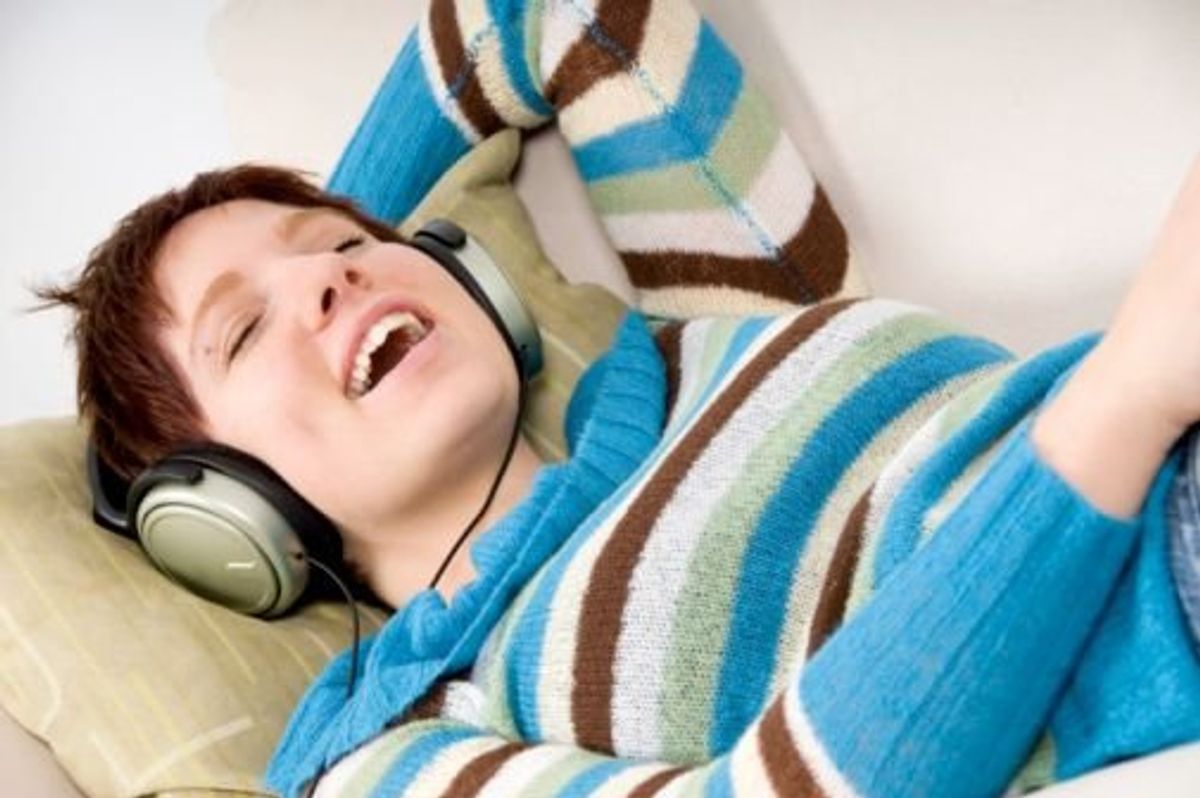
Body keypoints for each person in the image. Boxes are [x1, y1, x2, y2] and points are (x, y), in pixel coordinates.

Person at [36, 0, 1200, 795]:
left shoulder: (696, 335)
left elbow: (537, 15)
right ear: (231, 507)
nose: (329, 271)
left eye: (345, 240)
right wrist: (1136, 386)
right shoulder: (393, 741)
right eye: (241, 330)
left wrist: (315, 271)